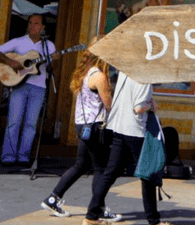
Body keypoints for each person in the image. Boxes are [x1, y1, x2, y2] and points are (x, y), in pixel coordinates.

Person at [40, 36, 121, 221]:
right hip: (95, 128)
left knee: (81, 165)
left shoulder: (85, 73)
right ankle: (98, 209)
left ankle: (53, 198)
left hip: (82, 126)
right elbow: (109, 105)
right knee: (101, 169)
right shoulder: (99, 76)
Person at [83, 71, 170, 225]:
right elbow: (138, 108)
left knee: (110, 173)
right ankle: (154, 221)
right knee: (147, 175)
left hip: (118, 127)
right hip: (135, 131)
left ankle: (91, 216)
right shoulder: (144, 77)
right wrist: (151, 105)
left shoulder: (124, 72)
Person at [0, 14, 56, 166]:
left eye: (37, 23)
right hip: (19, 85)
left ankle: (23, 157)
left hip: (39, 87)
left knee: (31, 124)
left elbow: (50, 67)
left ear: (43, 27)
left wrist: (52, 60)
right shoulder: (18, 42)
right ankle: (8, 157)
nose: (32, 26)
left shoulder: (49, 46)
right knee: (14, 121)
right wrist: (10, 62)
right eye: (30, 23)